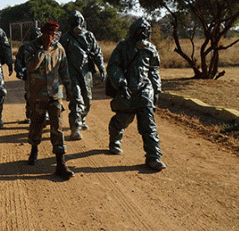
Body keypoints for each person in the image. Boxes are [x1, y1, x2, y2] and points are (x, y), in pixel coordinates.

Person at [106, 17, 166, 171]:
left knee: (148, 123)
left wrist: (156, 90)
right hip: (126, 89)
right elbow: (113, 67)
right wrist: (121, 84)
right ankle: (115, 140)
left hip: (145, 90)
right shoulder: (123, 46)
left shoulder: (151, 49)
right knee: (123, 119)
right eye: (139, 31)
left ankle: (153, 157)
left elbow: (153, 71)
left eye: (145, 31)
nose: (142, 34)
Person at [24, 21, 75, 180]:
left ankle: (61, 163)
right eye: (50, 34)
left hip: (54, 94)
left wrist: (68, 88)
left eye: (55, 34)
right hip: (37, 94)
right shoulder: (30, 48)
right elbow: (31, 66)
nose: (53, 37)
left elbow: (64, 70)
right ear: (44, 33)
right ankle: (34, 149)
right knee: (36, 124)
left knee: (57, 126)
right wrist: (43, 50)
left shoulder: (59, 49)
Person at [60, 10, 106, 141]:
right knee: (76, 99)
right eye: (74, 20)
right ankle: (75, 128)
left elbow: (97, 52)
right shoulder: (66, 38)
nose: (77, 23)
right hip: (72, 73)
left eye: (78, 20)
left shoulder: (89, 36)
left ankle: (82, 118)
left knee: (87, 100)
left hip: (86, 73)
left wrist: (101, 67)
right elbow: (60, 56)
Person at [14, 27, 41, 124]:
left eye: (37, 34)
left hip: (43, 76)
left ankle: (43, 116)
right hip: (29, 75)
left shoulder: (44, 46)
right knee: (29, 95)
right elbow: (19, 60)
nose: (35, 36)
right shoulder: (25, 47)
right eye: (34, 34)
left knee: (44, 96)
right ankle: (29, 115)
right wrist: (19, 70)